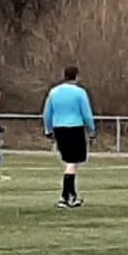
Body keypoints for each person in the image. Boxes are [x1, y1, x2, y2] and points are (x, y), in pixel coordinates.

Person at [42, 65, 95, 209]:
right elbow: (86, 113)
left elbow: (47, 113)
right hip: (75, 128)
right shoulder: (80, 92)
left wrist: (48, 129)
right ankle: (65, 196)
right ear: (76, 76)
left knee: (70, 162)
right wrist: (91, 130)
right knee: (72, 162)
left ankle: (73, 195)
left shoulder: (54, 92)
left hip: (59, 128)